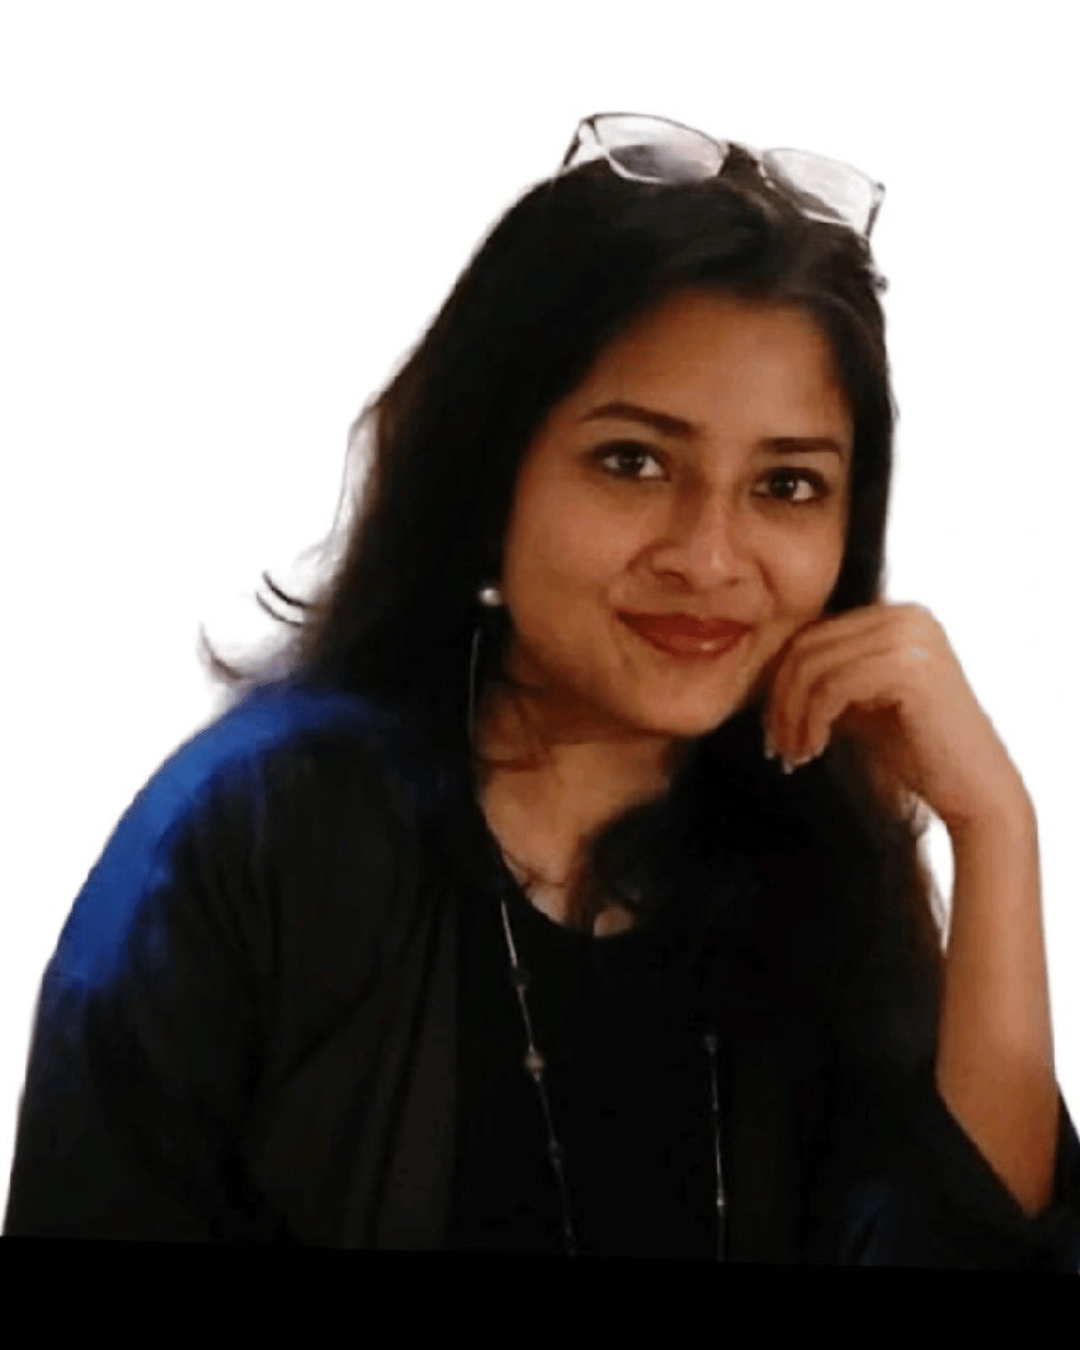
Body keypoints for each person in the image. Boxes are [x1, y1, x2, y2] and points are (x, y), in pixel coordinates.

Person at [5, 112, 1080, 1264]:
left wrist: (995, 828)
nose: (710, 556)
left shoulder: (818, 859)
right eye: (634, 462)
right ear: (489, 473)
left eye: (786, 485)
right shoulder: (258, 833)